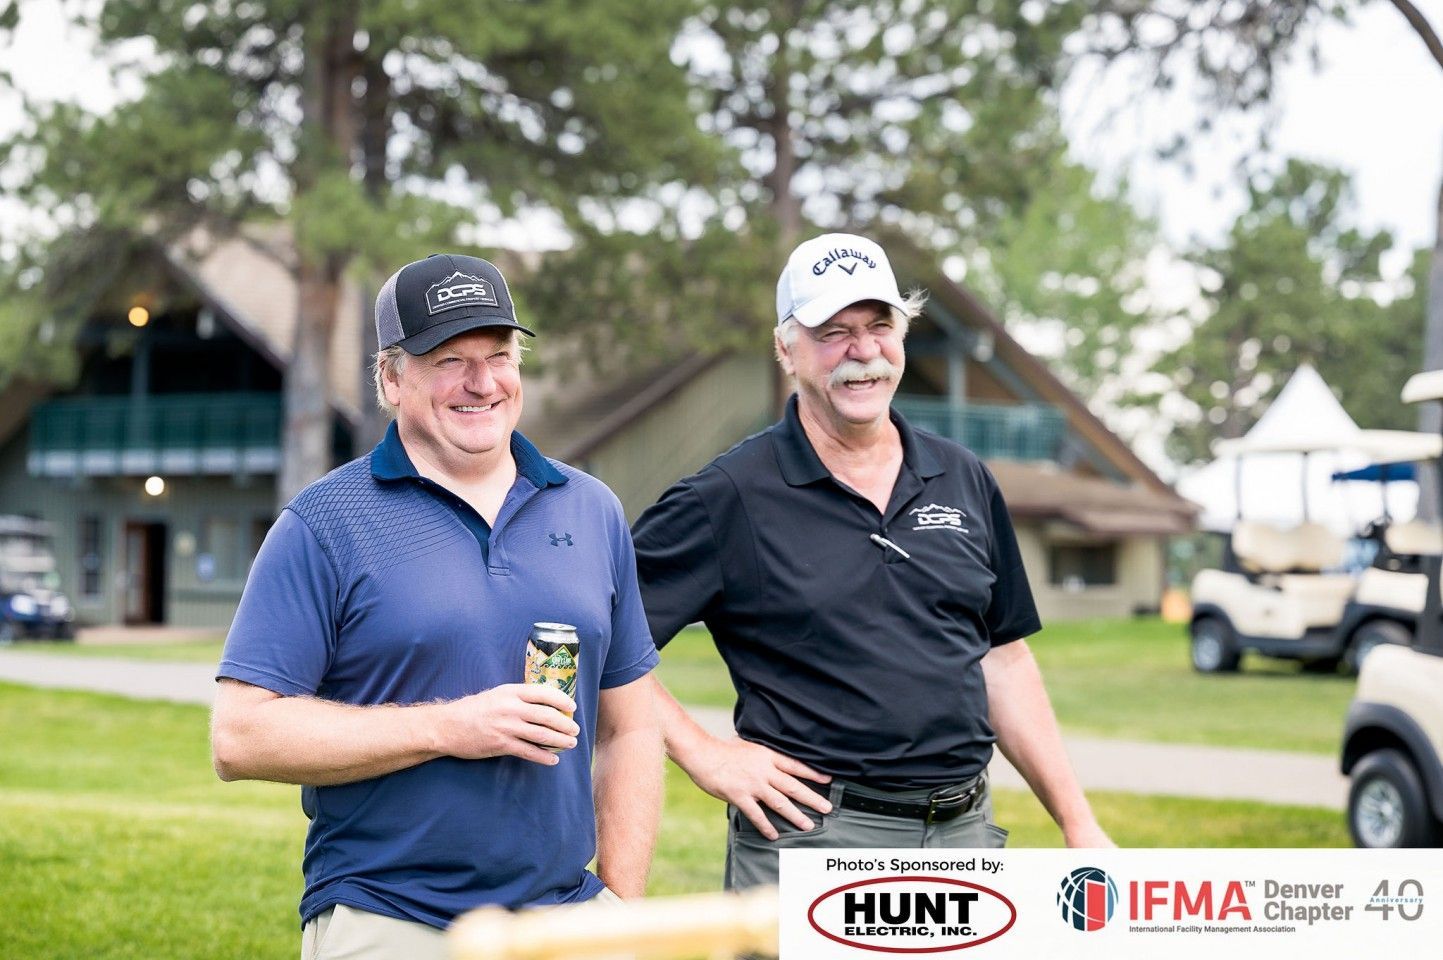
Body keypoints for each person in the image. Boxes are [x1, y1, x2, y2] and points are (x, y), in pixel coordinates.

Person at [211, 254, 662, 958]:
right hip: (389, 918)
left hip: (566, 919)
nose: (481, 382)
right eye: (449, 359)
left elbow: (629, 728)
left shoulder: (592, 509)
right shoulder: (325, 523)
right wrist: (451, 727)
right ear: (390, 378)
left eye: (499, 355)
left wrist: (621, 906)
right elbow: (239, 738)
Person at [632, 233, 1111, 890]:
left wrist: (1077, 822)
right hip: (814, 839)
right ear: (785, 349)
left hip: (963, 837)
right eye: (832, 331)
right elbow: (595, 635)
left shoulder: (961, 476)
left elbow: (1001, 658)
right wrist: (701, 752)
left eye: (878, 325)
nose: (862, 351)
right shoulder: (728, 496)